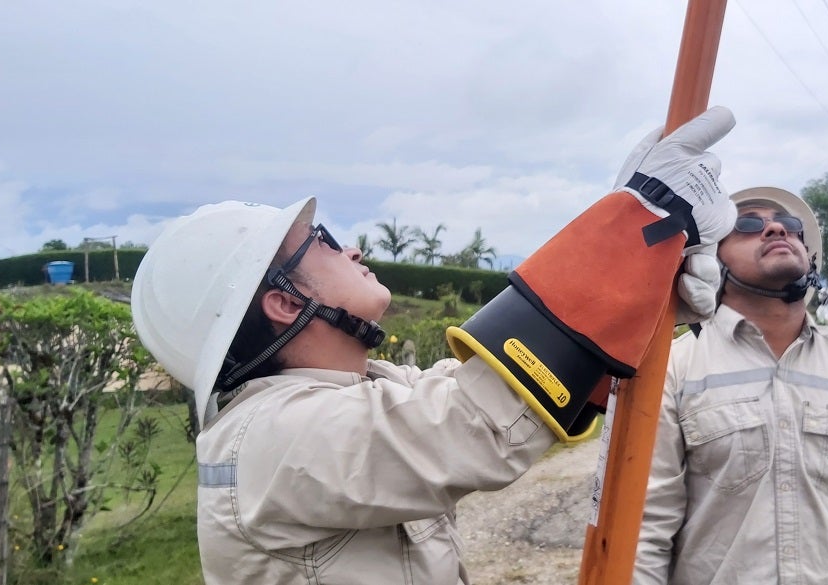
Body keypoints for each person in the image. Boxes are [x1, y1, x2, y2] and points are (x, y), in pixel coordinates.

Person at [130, 107, 737, 584]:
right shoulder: (264, 438)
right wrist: (636, 221)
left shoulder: (362, 394)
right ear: (285, 302)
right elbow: (474, 424)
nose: (352, 250)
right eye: (321, 242)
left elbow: (469, 386)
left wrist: (641, 289)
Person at [635, 187, 828, 584]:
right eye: (747, 224)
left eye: (790, 226)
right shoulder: (674, 370)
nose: (776, 227)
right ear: (711, 260)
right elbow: (646, 531)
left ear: (809, 258)